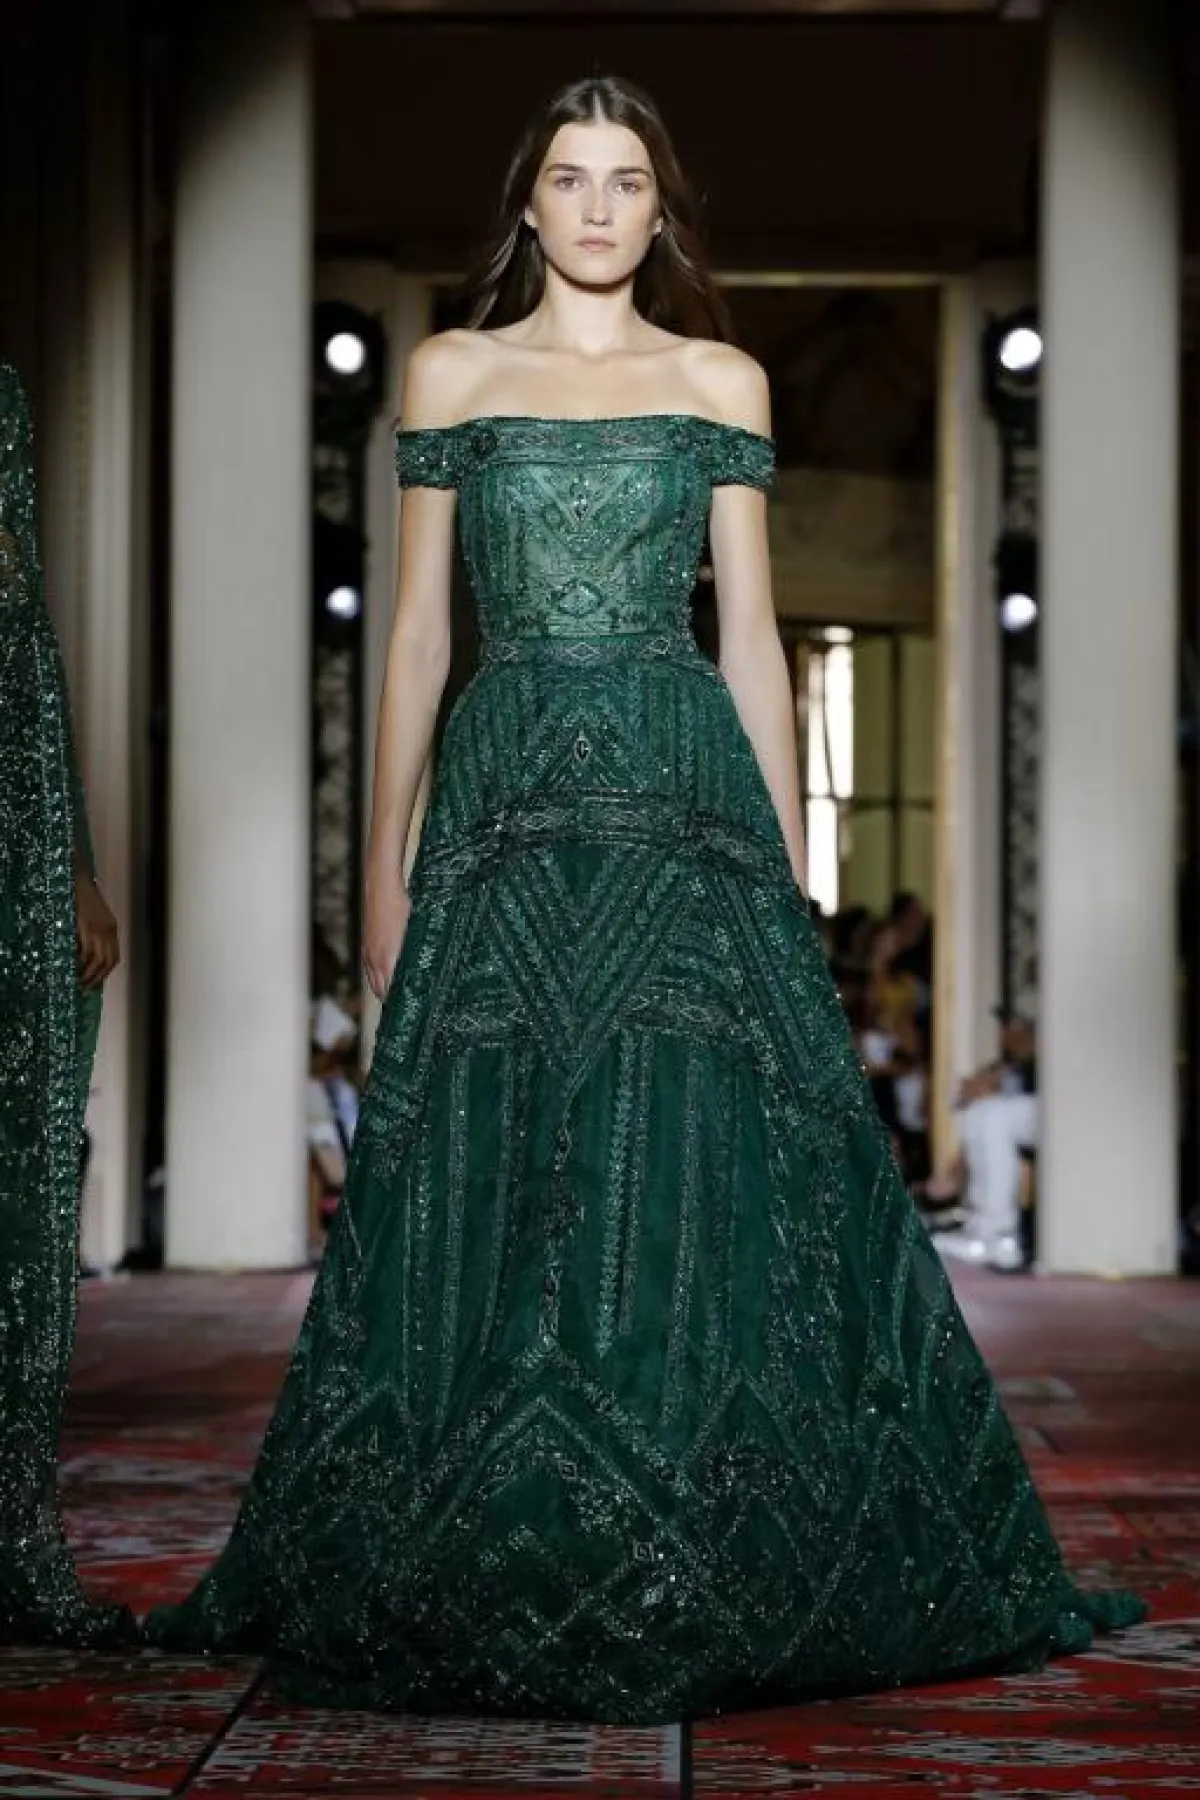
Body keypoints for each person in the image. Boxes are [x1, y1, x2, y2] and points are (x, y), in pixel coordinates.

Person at [146, 76, 1141, 1720]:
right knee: (507, 1156)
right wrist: (381, 864)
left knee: (684, 1149)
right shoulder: (454, 373)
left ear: (661, 208)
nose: (599, 207)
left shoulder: (718, 380)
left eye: (625, 182)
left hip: (681, 795)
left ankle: (700, 1535)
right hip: (506, 798)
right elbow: (416, 635)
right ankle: (491, 1536)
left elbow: (750, 635)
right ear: (528, 205)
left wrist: (785, 869)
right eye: (569, 178)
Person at [0, 362, 132, 1645]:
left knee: (18, 1177)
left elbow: (28, 651)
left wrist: (75, 864)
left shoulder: (3, 404)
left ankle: (11, 1527)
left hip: (18, 854)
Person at [935, 1010, 1038, 1273]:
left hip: (1065, 1116)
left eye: (1012, 1027)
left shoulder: (1043, 1051)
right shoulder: (1008, 1062)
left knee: (993, 1115)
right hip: (1029, 1120)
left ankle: (1001, 1233)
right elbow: (970, 1091)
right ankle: (980, 1227)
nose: (1005, 1034)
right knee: (980, 1111)